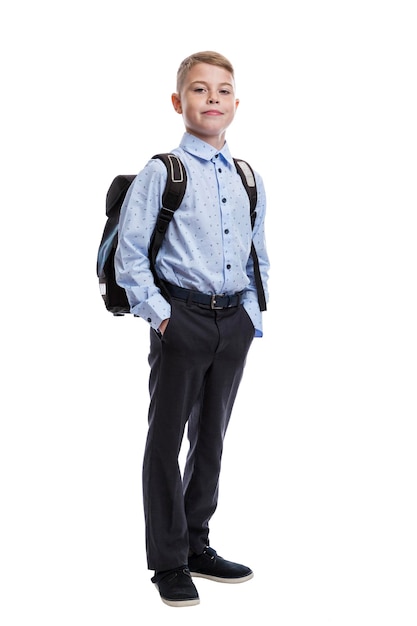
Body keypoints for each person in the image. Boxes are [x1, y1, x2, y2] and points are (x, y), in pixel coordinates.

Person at [115, 51, 269, 607]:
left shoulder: (247, 177)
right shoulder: (163, 172)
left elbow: (258, 252)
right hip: (180, 319)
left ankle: (198, 544)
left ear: (235, 103)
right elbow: (131, 255)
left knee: (211, 438)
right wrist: (161, 316)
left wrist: (251, 313)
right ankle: (168, 562)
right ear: (179, 103)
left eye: (222, 90)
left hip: (233, 321)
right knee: (165, 440)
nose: (212, 99)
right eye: (199, 90)